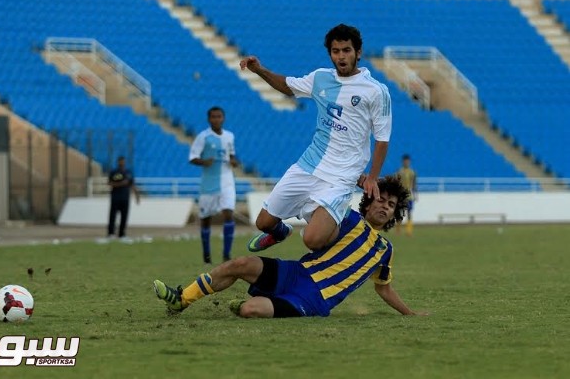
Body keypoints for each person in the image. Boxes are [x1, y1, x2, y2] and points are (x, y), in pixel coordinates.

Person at [153, 175, 427, 318]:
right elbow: (315, 224)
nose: (385, 206)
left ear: (394, 216)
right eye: (381, 200)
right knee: (240, 263)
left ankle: (253, 304)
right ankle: (182, 299)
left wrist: (410, 313)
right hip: (297, 272)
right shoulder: (344, 216)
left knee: (251, 310)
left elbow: (384, 289)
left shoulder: (384, 249)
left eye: (391, 206)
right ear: (369, 201)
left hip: (314, 298)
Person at [239, 23, 392, 253]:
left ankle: (344, 224)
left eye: (346, 50)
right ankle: (281, 232)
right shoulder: (320, 78)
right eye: (336, 51)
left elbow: (382, 138)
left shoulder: (376, 91)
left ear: (358, 53)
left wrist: (372, 177)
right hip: (308, 165)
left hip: (341, 176)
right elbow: (288, 86)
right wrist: (260, 70)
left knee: (312, 240)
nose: (341, 56)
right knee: (263, 223)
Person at [189, 106, 239, 264]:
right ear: (209, 119)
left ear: (223, 118)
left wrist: (234, 161)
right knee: (206, 219)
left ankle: (226, 254)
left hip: (227, 181)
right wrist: (204, 161)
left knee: (229, 213)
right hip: (209, 183)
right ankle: (207, 254)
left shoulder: (230, 136)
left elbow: (232, 155)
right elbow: (193, 157)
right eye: (213, 117)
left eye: (219, 116)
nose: (216, 119)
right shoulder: (203, 137)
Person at [107, 156, 140, 240]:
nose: (122, 163)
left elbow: (132, 185)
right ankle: (111, 233)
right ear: (118, 162)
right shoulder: (114, 172)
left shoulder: (128, 173)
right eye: (120, 161)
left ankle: (122, 234)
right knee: (113, 216)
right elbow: (110, 183)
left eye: (123, 161)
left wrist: (137, 196)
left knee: (124, 216)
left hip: (125, 198)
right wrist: (121, 183)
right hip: (115, 197)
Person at [396, 154, 417, 236]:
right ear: (402, 162)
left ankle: (409, 231)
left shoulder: (412, 172)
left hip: (409, 196)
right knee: (399, 213)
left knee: (409, 213)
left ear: (409, 162)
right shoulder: (399, 172)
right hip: (401, 196)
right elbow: (396, 184)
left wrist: (415, 194)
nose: (406, 162)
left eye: (407, 161)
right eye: (405, 161)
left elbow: (414, 184)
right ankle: (398, 230)